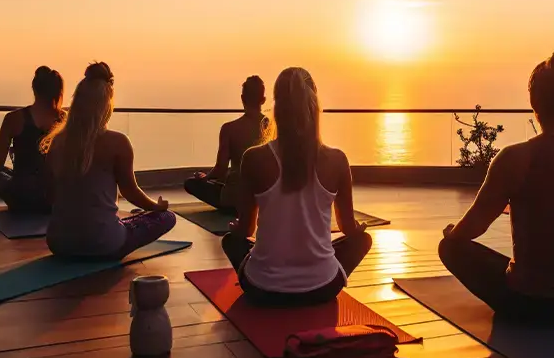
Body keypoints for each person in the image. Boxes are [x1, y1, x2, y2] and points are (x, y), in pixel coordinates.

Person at [439, 48, 554, 323]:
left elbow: (474, 226)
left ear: (533, 101)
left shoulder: (514, 159)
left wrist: (452, 234)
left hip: (530, 304)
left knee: (449, 247)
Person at [221, 67, 372, 306]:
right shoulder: (337, 160)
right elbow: (348, 228)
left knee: (230, 241)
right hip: (323, 288)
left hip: (263, 290)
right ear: (315, 107)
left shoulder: (253, 158)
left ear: (276, 107)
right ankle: (315, 273)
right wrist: (357, 228)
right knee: (363, 241)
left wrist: (236, 228)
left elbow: (246, 231)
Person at [42, 62, 176, 260]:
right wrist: (156, 207)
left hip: (59, 242)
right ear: (107, 105)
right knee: (167, 217)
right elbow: (130, 192)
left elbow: (51, 192)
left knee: (124, 221)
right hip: (103, 243)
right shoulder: (117, 142)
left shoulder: (57, 142)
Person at [0, 66, 65, 213]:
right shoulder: (64, 119)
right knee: (12, 173)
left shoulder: (13, 118)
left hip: (22, 196)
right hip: (55, 197)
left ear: (34, 89)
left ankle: (20, 202)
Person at [184, 76, 269, 213]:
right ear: (263, 100)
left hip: (234, 198)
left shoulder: (229, 129)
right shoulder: (273, 128)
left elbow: (220, 169)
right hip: (263, 198)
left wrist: (205, 178)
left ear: (242, 98)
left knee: (190, 183)